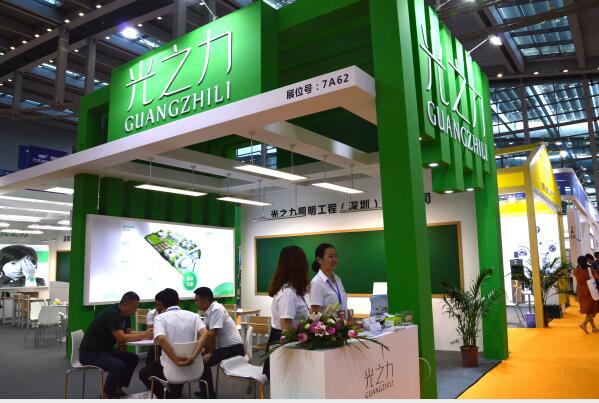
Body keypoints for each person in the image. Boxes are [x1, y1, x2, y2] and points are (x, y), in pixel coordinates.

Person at [79, 291, 152, 398]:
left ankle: (118, 389)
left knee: (132, 358)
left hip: (104, 350)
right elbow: (121, 337)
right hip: (90, 353)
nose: (135, 310)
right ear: (126, 304)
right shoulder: (112, 314)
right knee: (118, 366)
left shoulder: (124, 314)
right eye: (134, 307)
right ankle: (105, 395)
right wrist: (144, 335)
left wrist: (145, 333)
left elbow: (128, 332)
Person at [139, 288, 209, 398]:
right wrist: (194, 356)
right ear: (179, 300)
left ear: (161, 304)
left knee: (143, 373)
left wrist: (176, 360)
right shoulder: (194, 316)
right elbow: (205, 334)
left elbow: (161, 339)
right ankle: (174, 393)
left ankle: (166, 396)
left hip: (171, 368)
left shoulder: (160, 318)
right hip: (194, 367)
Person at [263, 245, 310, 380]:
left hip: (287, 341)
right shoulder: (288, 293)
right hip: (285, 344)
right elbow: (286, 331)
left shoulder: (293, 290)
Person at [194, 287, 244, 398]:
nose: (195, 303)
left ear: (205, 301)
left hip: (234, 349)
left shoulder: (217, 309)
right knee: (198, 358)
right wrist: (203, 349)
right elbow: (207, 335)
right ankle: (205, 391)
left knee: (203, 362)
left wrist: (210, 353)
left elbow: (212, 334)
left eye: (197, 300)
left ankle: (208, 394)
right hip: (224, 348)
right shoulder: (208, 312)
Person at [309, 243, 348, 314]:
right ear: (319, 260)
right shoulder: (317, 282)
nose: (335, 259)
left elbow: (344, 306)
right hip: (331, 322)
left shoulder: (338, 279)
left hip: (343, 321)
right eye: (331, 256)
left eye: (336, 256)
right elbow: (316, 314)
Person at [573, 255, 599, 334]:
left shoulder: (575, 271)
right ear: (586, 261)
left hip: (581, 291)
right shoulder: (590, 270)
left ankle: (593, 327)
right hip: (590, 291)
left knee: (588, 310)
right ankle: (583, 324)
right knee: (593, 309)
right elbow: (597, 277)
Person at [145, 291, 165, 365]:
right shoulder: (151, 313)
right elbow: (151, 333)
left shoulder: (171, 314)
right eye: (156, 304)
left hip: (169, 341)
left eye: (160, 305)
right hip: (157, 341)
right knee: (150, 361)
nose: (157, 308)